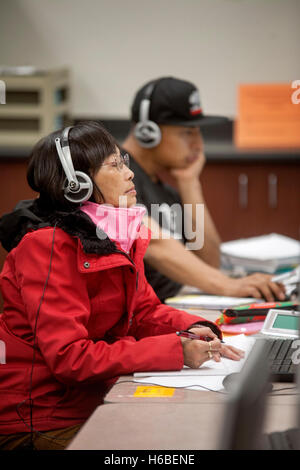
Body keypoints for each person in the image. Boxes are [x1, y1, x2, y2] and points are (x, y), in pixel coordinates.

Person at [0, 122, 244, 450]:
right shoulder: (46, 247)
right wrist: (176, 350)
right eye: (114, 165)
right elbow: (70, 357)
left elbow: (143, 311)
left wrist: (194, 327)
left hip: (90, 401)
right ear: (77, 184)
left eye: (124, 162)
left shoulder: (116, 234)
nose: (129, 173)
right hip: (39, 417)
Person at [122, 76, 286, 303]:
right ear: (147, 132)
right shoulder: (116, 176)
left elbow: (209, 262)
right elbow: (151, 242)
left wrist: (190, 183)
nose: (199, 145)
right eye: (187, 132)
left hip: (178, 305)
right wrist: (228, 285)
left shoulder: (165, 192)